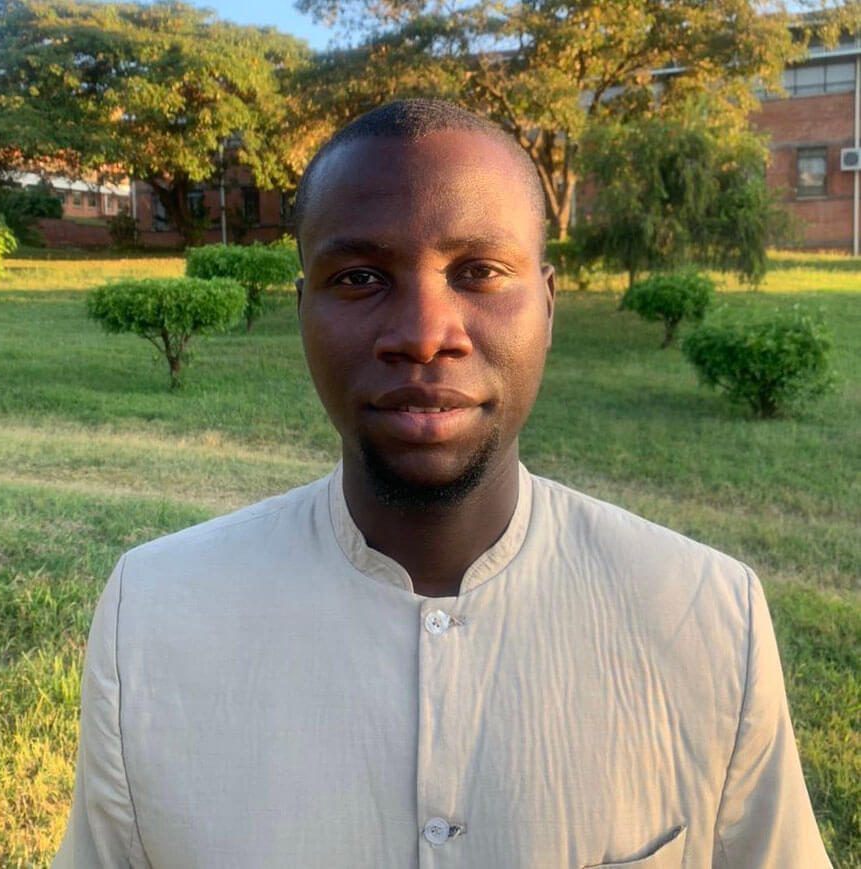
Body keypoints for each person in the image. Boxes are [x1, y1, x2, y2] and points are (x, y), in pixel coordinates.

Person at [54, 99, 831, 868]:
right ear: (303, 312)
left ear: (547, 307)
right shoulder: (155, 612)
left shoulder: (704, 614)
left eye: (479, 272)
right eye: (360, 277)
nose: (424, 334)